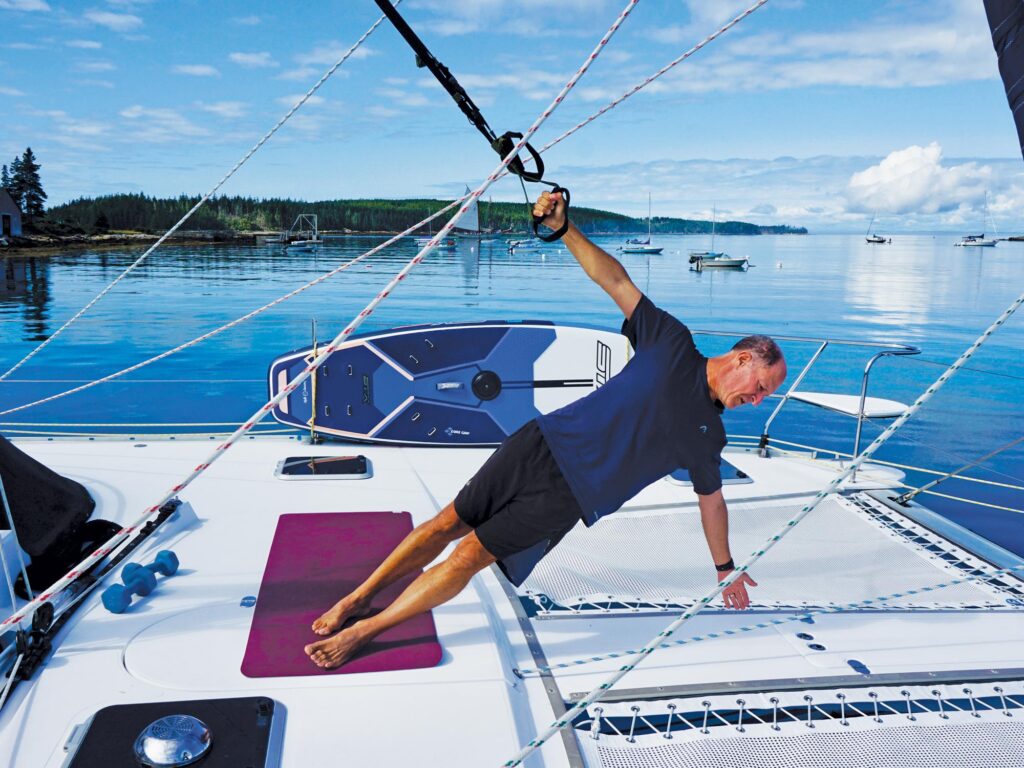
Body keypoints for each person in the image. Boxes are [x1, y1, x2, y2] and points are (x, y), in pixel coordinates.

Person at [304, 191, 788, 669]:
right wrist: (564, 228)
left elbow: (712, 503)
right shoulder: (672, 342)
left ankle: (367, 629)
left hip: (567, 496)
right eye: (761, 386)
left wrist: (725, 569)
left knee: (469, 555)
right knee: (445, 524)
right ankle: (358, 598)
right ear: (743, 358)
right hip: (539, 443)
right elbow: (615, 280)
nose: (758, 400)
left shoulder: (709, 436)